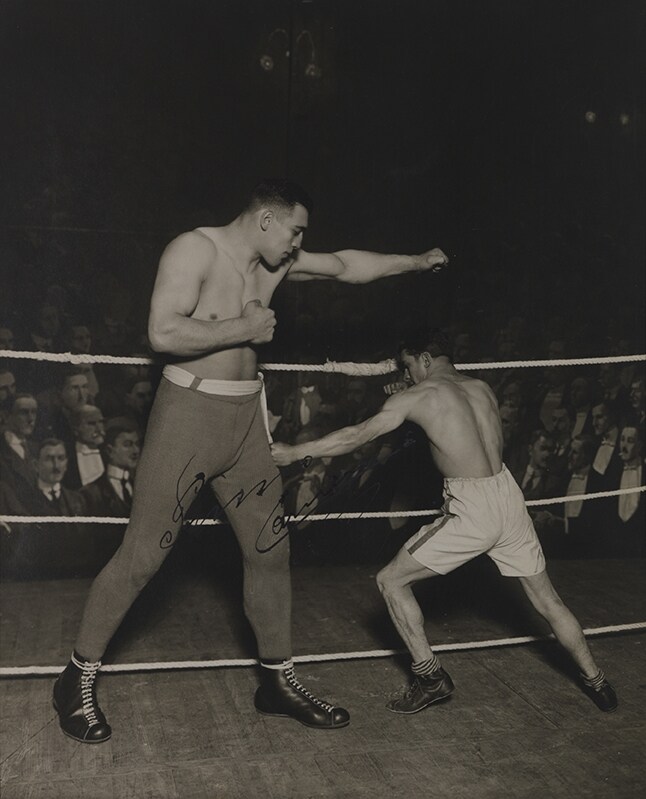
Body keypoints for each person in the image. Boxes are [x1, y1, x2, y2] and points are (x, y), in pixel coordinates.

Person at [53, 177, 449, 743]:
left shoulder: (274, 263)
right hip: (188, 417)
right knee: (142, 555)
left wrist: (416, 262)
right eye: (295, 231)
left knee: (271, 552)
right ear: (266, 219)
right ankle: (76, 679)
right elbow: (161, 330)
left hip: (245, 424)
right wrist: (246, 326)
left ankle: (277, 681)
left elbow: (344, 266)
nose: (297, 245)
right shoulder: (195, 249)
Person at [271, 329, 617, 715]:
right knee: (547, 600)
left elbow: (357, 434)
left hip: (473, 506)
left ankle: (429, 677)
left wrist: (295, 451)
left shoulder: (421, 395)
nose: (408, 374)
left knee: (390, 581)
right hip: (508, 494)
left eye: (408, 366)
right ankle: (597, 681)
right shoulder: (482, 387)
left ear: (422, 359)